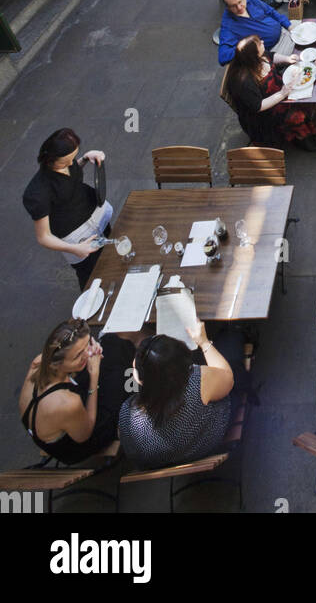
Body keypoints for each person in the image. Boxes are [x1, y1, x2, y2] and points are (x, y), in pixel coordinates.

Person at [118, 324, 233, 470]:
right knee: (230, 339)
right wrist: (204, 342)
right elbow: (228, 379)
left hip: (158, 463)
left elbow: (128, 445)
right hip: (206, 445)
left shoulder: (128, 413)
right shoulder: (198, 382)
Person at [20, 318, 132, 464]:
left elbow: (68, 374)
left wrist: (88, 355)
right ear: (58, 363)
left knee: (112, 343)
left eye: (87, 344)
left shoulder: (40, 362)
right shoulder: (67, 403)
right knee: (120, 378)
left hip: (64, 416)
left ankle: (128, 358)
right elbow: (86, 433)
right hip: (79, 443)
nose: (87, 354)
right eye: (78, 355)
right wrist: (94, 375)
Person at [23, 129, 110, 290]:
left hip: (96, 216)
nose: (70, 164)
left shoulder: (68, 163)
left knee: (110, 257)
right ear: (49, 159)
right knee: (89, 275)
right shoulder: (37, 193)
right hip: (78, 239)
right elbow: (43, 237)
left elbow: (70, 176)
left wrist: (85, 158)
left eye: (73, 158)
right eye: (65, 162)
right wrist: (75, 249)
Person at [225, 35, 316, 150]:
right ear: (253, 55)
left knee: (306, 96)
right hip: (264, 114)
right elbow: (258, 106)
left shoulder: (257, 57)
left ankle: (315, 125)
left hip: (278, 92)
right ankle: (304, 140)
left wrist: (287, 59)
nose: (262, 41)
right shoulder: (244, 81)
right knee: (297, 115)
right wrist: (282, 94)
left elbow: (271, 56)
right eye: (259, 44)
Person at [218, 0, 294, 65]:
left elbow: (270, 11)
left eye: (240, 2)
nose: (239, 7)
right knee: (300, 57)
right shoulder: (228, 25)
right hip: (275, 50)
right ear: (227, 7)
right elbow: (223, 57)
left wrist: (288, 26)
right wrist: (246, 47)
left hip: (283, 30)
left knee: (305, 31)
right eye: (233, 6)